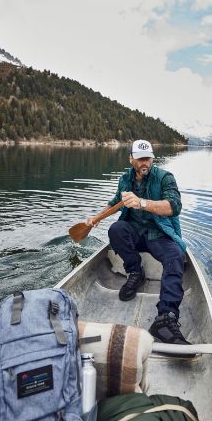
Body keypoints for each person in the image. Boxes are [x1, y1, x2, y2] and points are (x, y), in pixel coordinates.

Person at [86, 140, 190, 345]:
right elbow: (115, 203)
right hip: (134, 232)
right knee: (116, 230)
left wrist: (142, 203)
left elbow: (174, 206)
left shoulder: (165, 177)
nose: (145, 162)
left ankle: (166, 318)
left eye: (148, 157)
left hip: (158, 234)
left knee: (175, 255)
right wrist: (95, 218)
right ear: (131, 158)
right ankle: (135, 272)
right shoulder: (125, 179)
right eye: (141, 158)